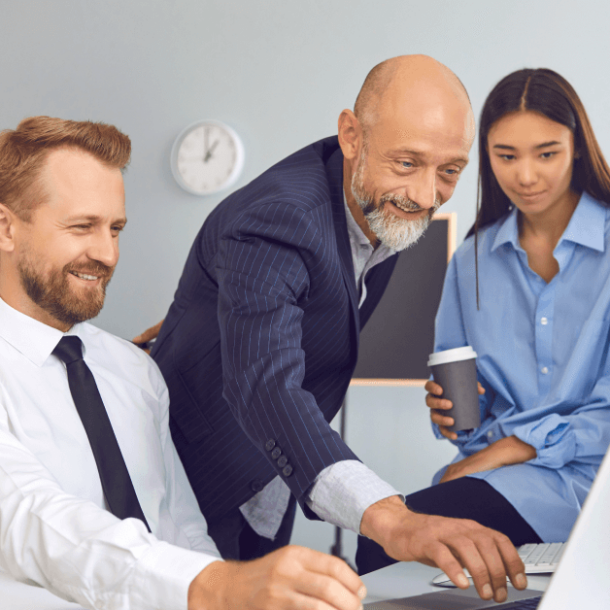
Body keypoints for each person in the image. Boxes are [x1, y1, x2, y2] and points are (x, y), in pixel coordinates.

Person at [136, 55, 527, 604]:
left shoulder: (380, 206)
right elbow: (265, 386)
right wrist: (394, 519)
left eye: (450, 171)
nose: (426, 195)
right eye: (407, 162)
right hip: (198, 476)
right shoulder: (277, 218)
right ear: (351, 135)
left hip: (276, 474)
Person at [0, 115, 369, 610]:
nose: (106, 254)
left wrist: (225, 588)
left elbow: (182, 525)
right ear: (6, 227)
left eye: (116, 229)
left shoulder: (133, 371)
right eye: (82, 227)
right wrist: (214, 586)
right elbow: (32, 520)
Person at [356, 68, 610, 575]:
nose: (526, 176)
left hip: (591, 480)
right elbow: (473, 432)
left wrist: (512, 448)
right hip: (509, 481)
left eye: (546, 153)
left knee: (394, 542)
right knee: (388, 542)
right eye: (505, 155)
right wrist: (456, 415)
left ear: (577, 147)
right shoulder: (471, 261)